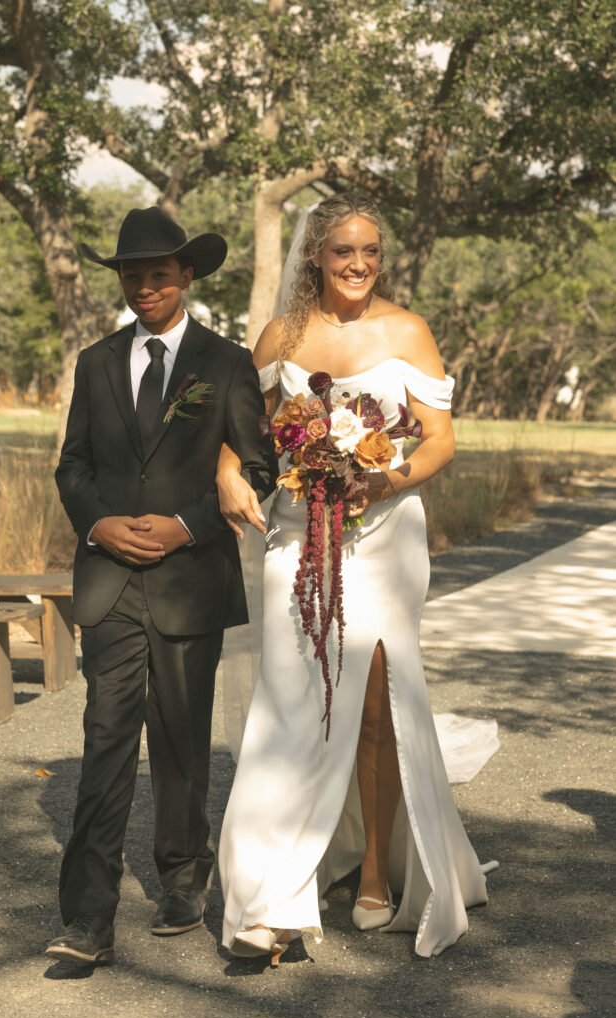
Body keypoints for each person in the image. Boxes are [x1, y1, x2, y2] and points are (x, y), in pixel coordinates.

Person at [216, 193, 494, 962]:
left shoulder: (407, 331)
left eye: (370, 250)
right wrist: (228, 475)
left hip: (382, 533)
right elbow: (245, 430)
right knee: (287, 705)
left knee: (376, 704)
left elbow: (438, 441)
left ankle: (376, 870)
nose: (359, 263)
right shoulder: (281, 335)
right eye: (343, 250)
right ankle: (270, 895)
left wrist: (388, 480)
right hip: (297, 537)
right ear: (315, 254)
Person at [46, 206, 278, 964]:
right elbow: (72, 465)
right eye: (130, 275)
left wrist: (188, 524)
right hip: (110, 579)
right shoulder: (96, 362)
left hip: (189, 579)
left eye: (157, 273)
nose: (143, 286)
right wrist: (98, 524)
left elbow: (262, 467)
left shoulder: (225, 362)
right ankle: (87, 918)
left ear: (185, 276)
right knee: (104, 738)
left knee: (179, 738)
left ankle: (183, 876)